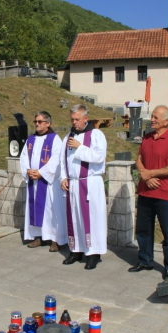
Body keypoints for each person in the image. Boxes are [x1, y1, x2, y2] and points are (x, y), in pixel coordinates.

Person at [128, 105, 168, 280]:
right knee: (143, 230)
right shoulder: (147, 138)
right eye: (152, 116)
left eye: (156, 118)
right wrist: (145, 176)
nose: (152, 120)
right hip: (145, 193)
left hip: (164, 195)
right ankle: (145, 260)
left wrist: (150, 173)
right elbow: (139, 160)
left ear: (167, 121)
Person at [60, 104, 107, 270]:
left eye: (77, 119)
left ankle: (93, 254)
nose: (74, 122)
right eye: (72, 119)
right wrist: (63, 177)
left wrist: (80, 147)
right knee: (74, 218)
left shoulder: (96, 135)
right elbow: (62, 159)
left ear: (86, 118)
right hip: (73, 183)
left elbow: (99, 157)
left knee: (92, 219)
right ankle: (76, 250)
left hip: (90, 183)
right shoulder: (68, 137)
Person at [20, 111, 67, 252]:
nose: (37, 124)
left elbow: (57, 160)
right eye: (35, 121)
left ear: (48, 123)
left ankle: (55, 239)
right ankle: (38, 237)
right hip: (33, 181)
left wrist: (41, 173)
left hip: (48, 184)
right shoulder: (31, 139)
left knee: (51, 210)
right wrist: (28, 170)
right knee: (35, 208)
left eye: (40, 121)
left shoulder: (55, 139)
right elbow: (23, 157)